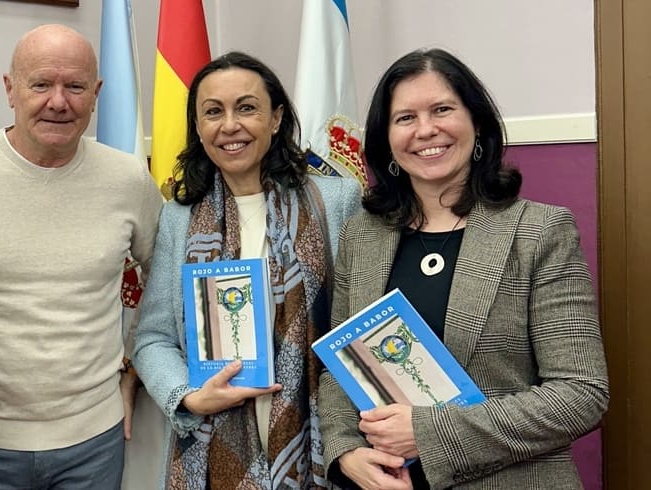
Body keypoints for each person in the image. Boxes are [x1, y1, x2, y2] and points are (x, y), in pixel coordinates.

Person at [318, 48, 609, 489]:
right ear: (387, 139)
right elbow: (340, 369)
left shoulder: (540, 230)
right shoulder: (361, 236)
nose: (426, 130)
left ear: (477, 125)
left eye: (442, 110)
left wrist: (430, 433)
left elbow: (581, 393)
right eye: (405, 118)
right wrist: (345, 453)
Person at [0, 24, 162, 489]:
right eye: (41, 84)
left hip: (96, 442)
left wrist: (135, 369)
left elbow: (166, 287)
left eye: (75, 86)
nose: (58, 101)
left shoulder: (129, 180)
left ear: (97, 93)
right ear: (10, 88)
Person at [132, 51, 362, 489]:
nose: (230, 125)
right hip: (209, 443)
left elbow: (356, 328)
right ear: (198, 128)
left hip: (318, 441)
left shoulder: (338, 201)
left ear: (276, 119)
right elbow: (152, 337)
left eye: (247, 107)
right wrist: (188, 397)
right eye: (213, 112)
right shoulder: (180, 218)